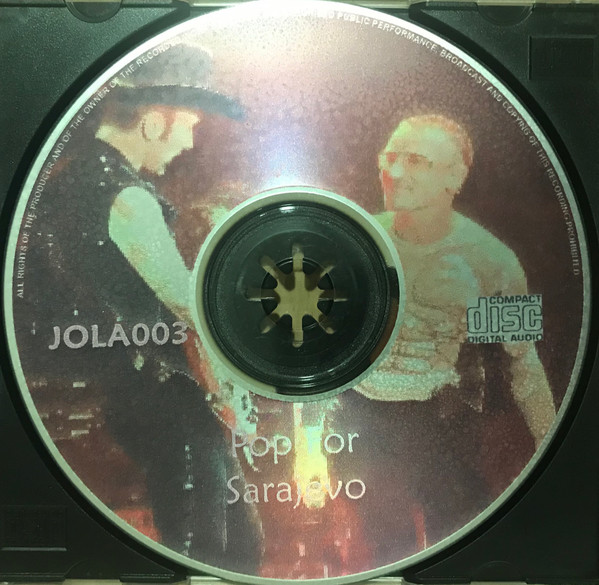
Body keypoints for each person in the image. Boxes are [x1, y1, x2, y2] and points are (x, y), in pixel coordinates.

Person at [23, 44, 260, 571]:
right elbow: (191, 307)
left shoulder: (61, 181)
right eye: (189, 125)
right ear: (154, 123)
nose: (189, 141)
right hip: (166, 402)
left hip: (107, 391)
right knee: (214, 549)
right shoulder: (128, 199)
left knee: (212, 545)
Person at [334, 114, 556, 564]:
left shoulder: (491, 262)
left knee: (455, 543)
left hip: (440, 420)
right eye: (390, 157)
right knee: (381, 548)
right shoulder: (355, 241)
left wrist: (553, 453)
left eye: (416, 161)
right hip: (360, 417)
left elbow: (522, 363)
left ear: (455, 177)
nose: (395, 171)